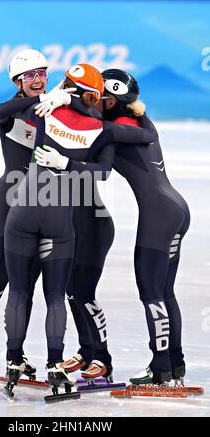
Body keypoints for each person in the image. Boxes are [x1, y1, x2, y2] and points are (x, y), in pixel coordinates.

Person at [2, 63, 158, 396]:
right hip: (66, 220)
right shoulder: (84, 121)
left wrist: (57, 101)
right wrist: (56, 98)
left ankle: (101, 356)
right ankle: (86, 353)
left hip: (93, 226)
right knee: (69, 292)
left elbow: (143, 136)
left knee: (80, 293)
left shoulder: (100, 125)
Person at [43, 69, 190, 386]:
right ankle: (174, 363)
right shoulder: (136, 119)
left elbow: (93, 123)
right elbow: (148, 132)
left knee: (151, 293)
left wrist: (65, 97)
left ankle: (160, 366)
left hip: (158, 216)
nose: (97, 102)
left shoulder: (115, 128)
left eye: (103, 99)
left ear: (112, 101)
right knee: (164, 291)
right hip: (176, 209)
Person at [0, 49, 71, 382]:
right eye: (30, 75)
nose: (38, 79)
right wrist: (45, 97)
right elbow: (0, 109)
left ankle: (17, 354)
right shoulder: (12, 111)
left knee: (27, 287)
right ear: (17, 81)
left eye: (42, 73)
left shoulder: (54, 111)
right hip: (8, 202)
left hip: (43, 203)